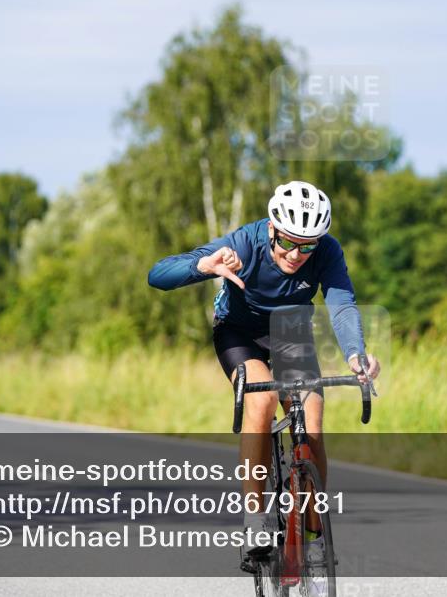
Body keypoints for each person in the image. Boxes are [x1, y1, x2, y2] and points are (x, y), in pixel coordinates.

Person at [147, 180, 381, 577]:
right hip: (238, 331)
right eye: (289, 242)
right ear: (272, 228)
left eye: (307, 246)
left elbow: (342, 305)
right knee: (262, 400)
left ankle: (313, 531)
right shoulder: (243, 243)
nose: (296, 254)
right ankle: (255, 519)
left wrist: (356, 354)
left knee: (313, 419)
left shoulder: (327, 250)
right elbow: (158, 274)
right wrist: (204, 266)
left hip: (290, 332)